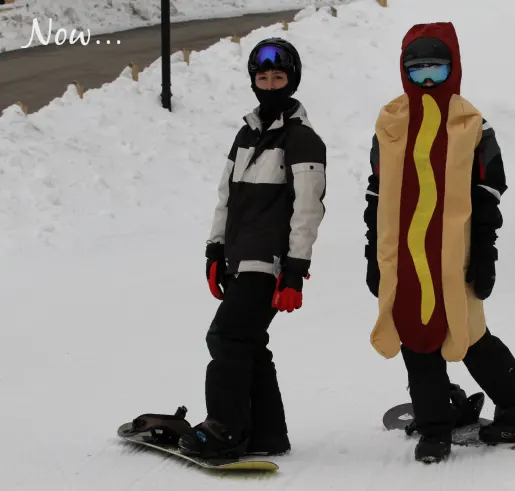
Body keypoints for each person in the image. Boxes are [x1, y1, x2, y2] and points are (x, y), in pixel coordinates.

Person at [363, 22, 515, 464]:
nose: (426, 81)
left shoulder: (473, 125)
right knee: (414, 334)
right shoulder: (390, 124)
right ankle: (434, 426)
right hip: (404, 256)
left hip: (454, 255)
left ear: (454, 69)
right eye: (418, 69)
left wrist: (484, 253)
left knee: (470, 332)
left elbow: (489, 195)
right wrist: (373, 252)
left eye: (437, 70)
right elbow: (376, 192)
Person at [177, 38, 327, 459]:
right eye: (263, 76)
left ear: (292, 80)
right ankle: (267, 435)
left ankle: (225, 428)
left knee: (226, 337)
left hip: (271, 261)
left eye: (279, 76)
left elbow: (308, 210)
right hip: (239, 258)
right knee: (247, 342)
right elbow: (226, 197)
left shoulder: (303, 140)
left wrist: (295, 271)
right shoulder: (246, 134)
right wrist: (214, 251)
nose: (270, 83)